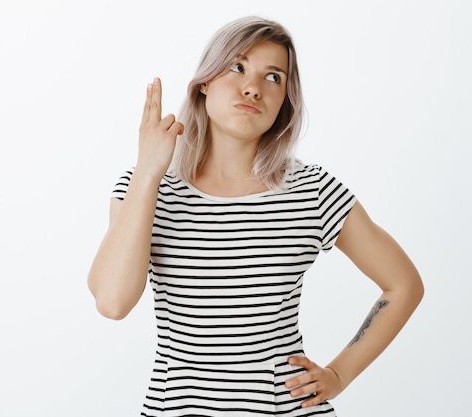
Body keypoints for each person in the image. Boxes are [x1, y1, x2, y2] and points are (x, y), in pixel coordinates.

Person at [87, 16, 423, 417]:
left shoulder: (312, 191)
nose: (253, 87)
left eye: (274, 77)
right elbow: (112, 301)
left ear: (286, 100)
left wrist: (339, 373)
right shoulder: (145, 186)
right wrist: (147, 173)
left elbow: (403, 284)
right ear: (204, 82)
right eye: (237, 66)